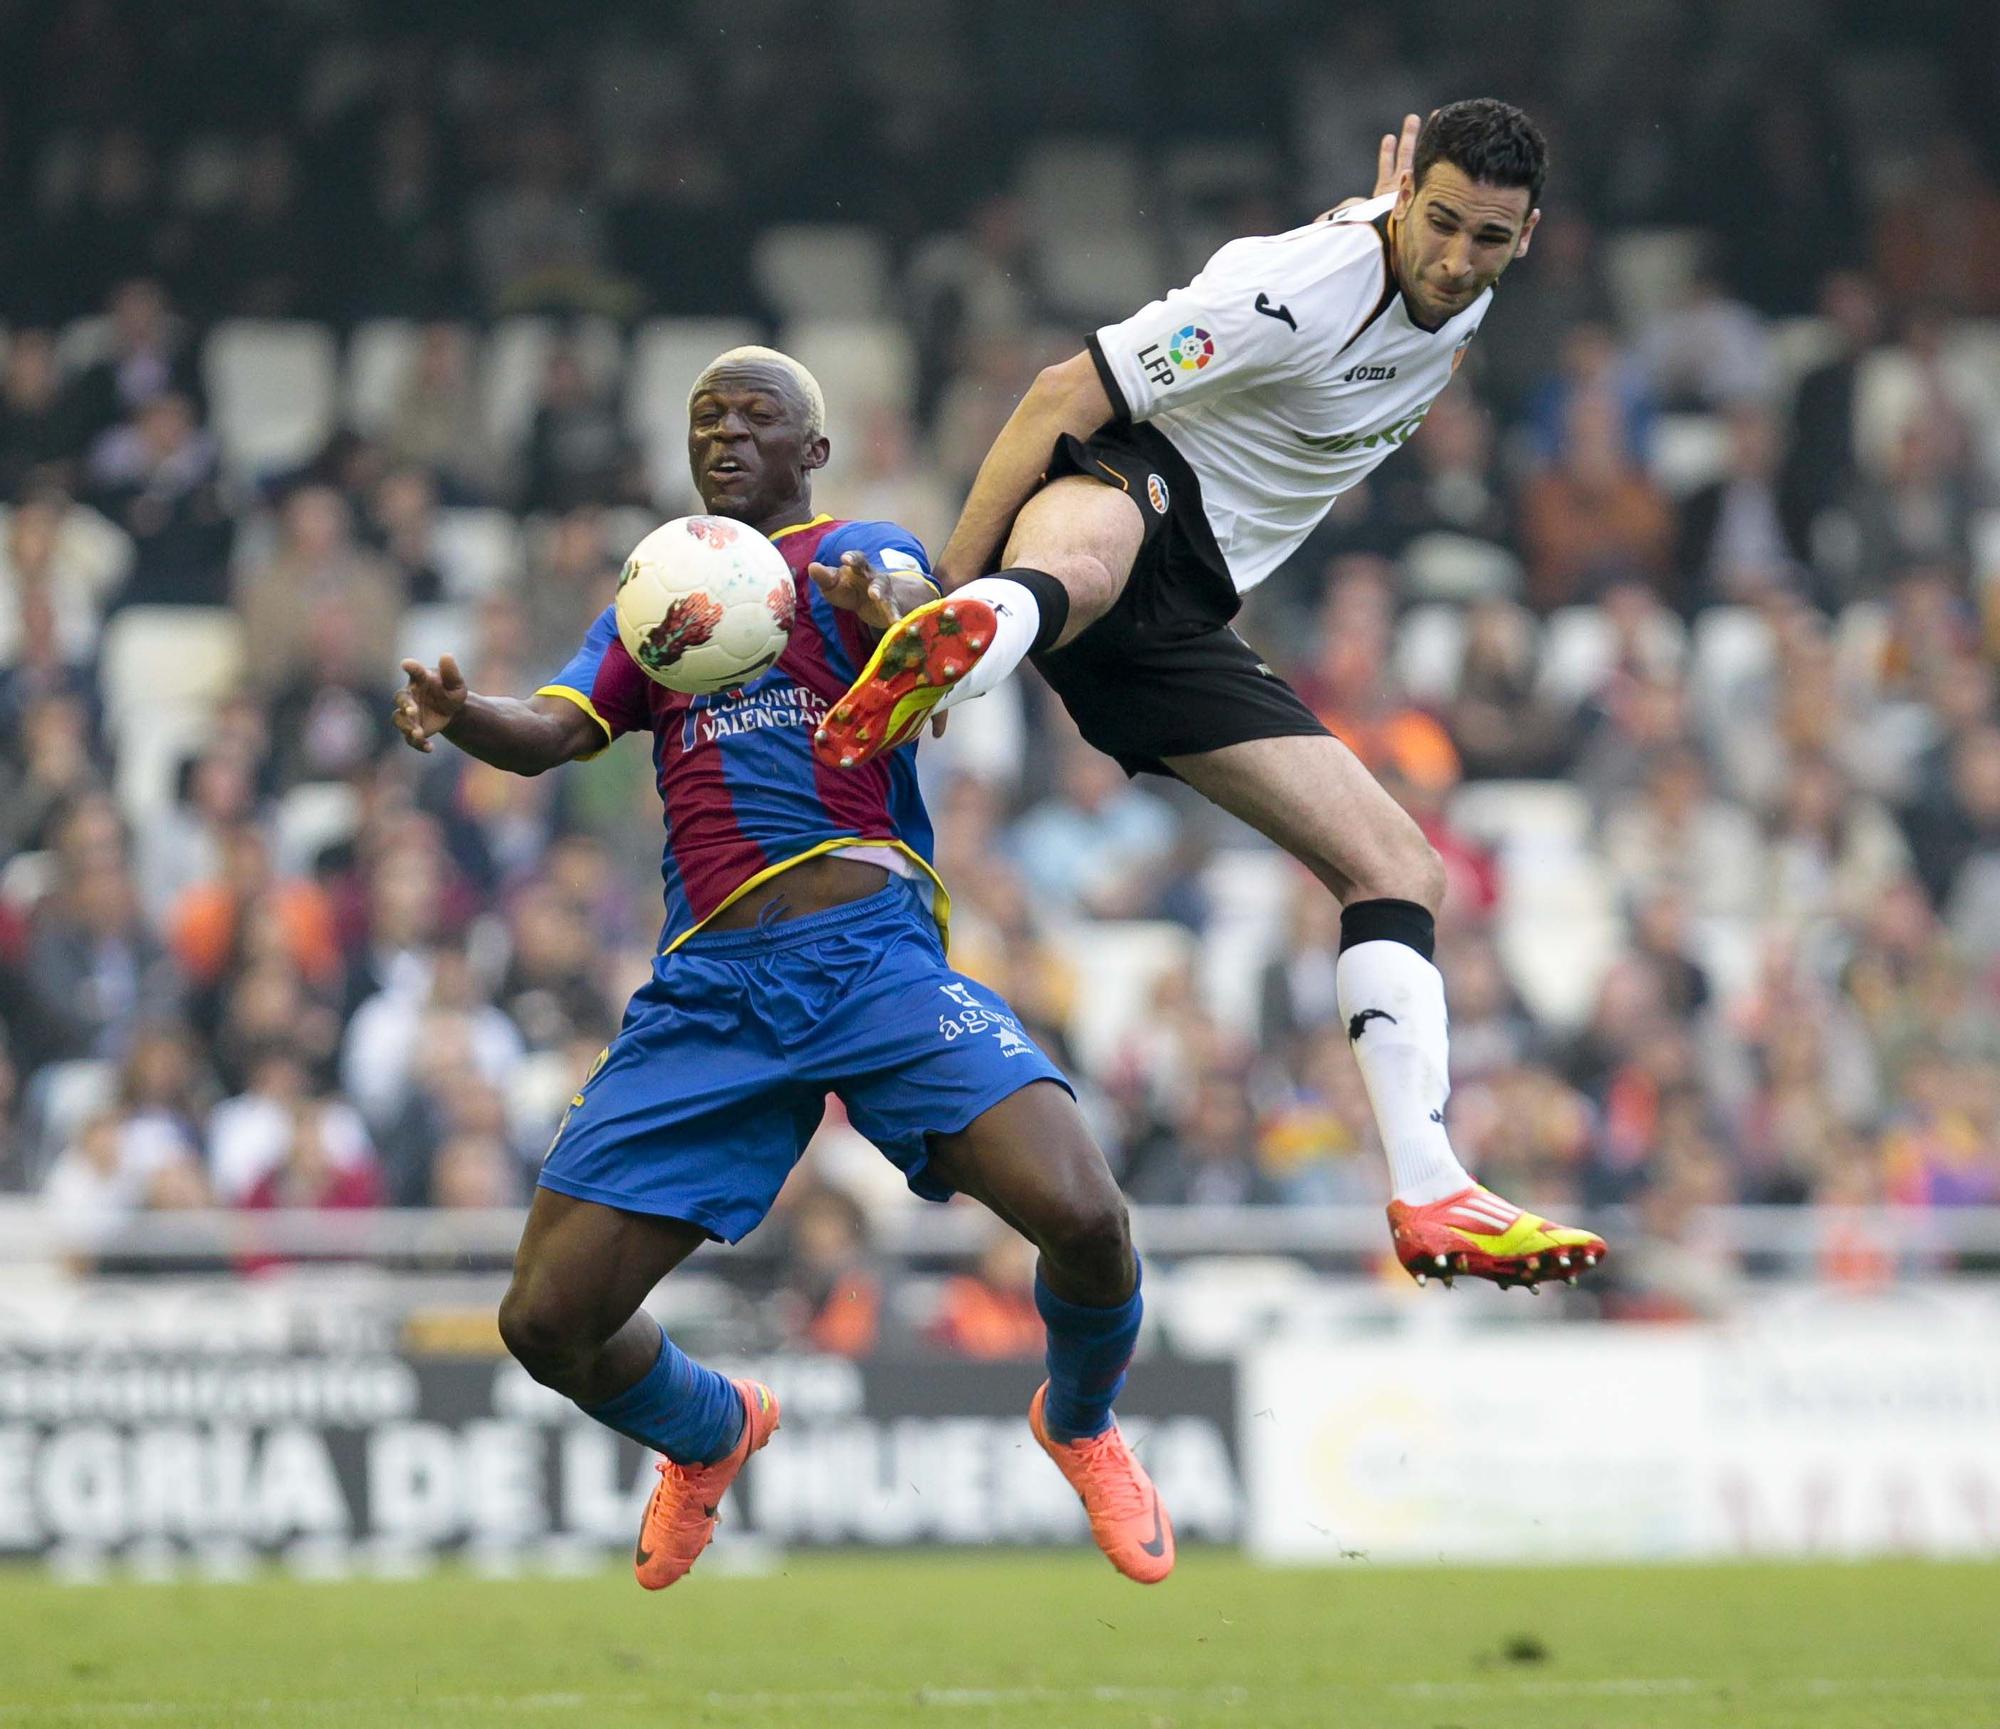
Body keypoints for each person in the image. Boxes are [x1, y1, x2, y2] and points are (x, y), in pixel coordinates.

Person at [392, 348, 1175, 1591]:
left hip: (871, 961)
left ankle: (1077, 1419)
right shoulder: (662, 595)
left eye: (759, 416)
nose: (726, 431)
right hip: (713, 991)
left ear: (809, 451)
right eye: (707, 415)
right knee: (543, 1320)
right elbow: (550, 731)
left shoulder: (851, 550)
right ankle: (709, 1431)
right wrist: (462, 711)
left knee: (1085, 1213)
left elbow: (917, 603)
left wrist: (893, 613)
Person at [818, 103, 1606, 1290]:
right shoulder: (1300, 287)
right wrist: (950, 570)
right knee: (1082, 559)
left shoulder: (1446, 271)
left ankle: (1431, 1186)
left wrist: (1385, 215)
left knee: (1400, 867)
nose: (1453, 259)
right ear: (1407, 204)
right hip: (1132, 484)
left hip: (1186, 617)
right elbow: (1055, 399)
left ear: (1524, 236)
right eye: (1436, 224)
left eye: (1483, 239)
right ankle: (962, 623)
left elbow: (1416, 250)